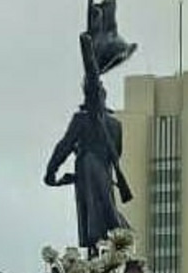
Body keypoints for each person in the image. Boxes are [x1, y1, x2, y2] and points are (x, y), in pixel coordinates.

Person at [45, 35, 131, 255]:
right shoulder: (116, 125)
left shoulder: (82, 119)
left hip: (89, 171)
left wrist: (51, 172)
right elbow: (116, 154)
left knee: (94, 221)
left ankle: (100, 254)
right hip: (102, 172)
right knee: (105, 216)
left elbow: (63, 147)